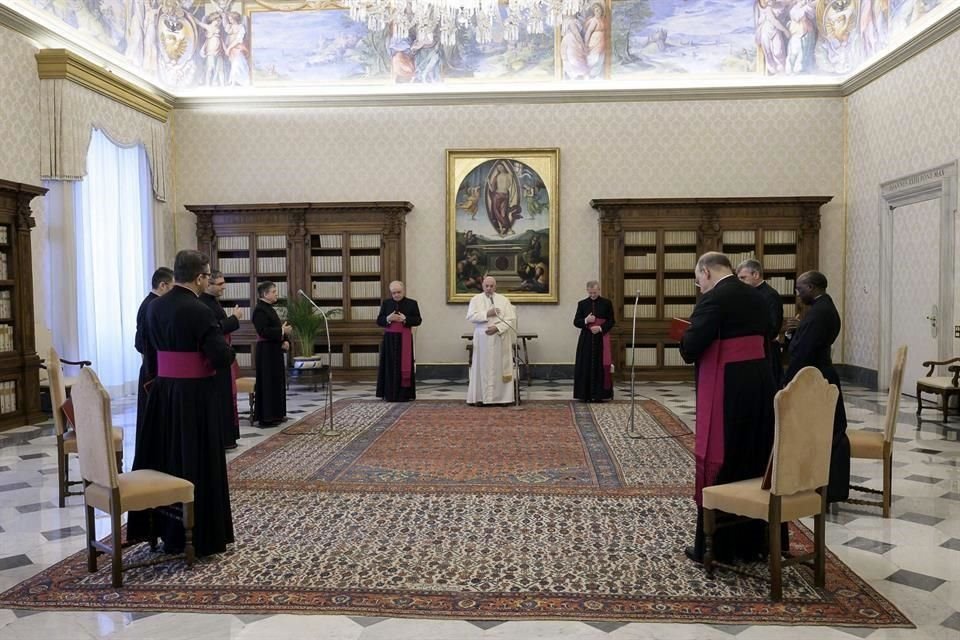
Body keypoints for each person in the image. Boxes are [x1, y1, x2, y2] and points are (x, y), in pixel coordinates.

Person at [128, 250, 235, 557]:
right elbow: (220, 356)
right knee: (195, 459)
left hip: (163, 394)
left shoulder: (154, 306)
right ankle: (201, 536)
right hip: (195, 397)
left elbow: (146, 350)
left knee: (167, 457)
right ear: (200, 278)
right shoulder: (199, 310)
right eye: (207, 276)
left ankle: (165, 528)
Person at [679, 252, 776, 564]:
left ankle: (718, 547)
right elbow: (769, 332)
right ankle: (752, 544)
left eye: (698, 278)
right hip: (760, 383)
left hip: (728, 387)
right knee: (754, 455)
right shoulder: (758, 295)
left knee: (725, 457)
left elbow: (691, 346)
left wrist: (684, 336)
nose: (699, 284)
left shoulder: (713, 299)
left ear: (706, 272)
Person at [783, 270, 849, 502]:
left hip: (816, 378)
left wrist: (788, 383)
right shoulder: (821, 308)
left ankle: (826, 488)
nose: (797, 294)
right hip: (818, 374)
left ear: (811, 287)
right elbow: (804, 343)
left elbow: (804, 352)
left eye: (800, 289)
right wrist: (792, 334)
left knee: (824, 433)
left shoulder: (820, 312)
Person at [200, 270, 243, 449]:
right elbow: (215, 329)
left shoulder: (212, 302)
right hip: (216, 357)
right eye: (220, 284)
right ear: (207, 284)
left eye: (224, 283)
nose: (223, 287)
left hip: (222, 353)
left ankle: (228, 437)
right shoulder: (203, 304)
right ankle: (223, 438)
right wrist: (234, 318)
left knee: (226, 397)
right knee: (221, 398)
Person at [134, 266, 173, 448]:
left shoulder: (152, 304)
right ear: (163, 285)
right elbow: (141, 343)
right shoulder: (152, 306)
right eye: (172, 286)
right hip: (152, 368)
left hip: (153, 365)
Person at [466, 276, 517, 405]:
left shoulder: (503, 300)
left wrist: (497, 328)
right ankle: (480, 398)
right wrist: (487, 314)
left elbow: (510, 320)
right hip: (482, 338)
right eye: (486, 286)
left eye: (491, 286)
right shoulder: (475, 299)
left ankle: (502, 398)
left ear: (495, 286)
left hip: (499, 337)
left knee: (498, 367)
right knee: (481, 367)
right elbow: (471, 317)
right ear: (482, 286)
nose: (489, 288)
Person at [736, 259, 784, 388]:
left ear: (756, 274)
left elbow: (774, 326)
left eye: (743, 278)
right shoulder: (747, 293)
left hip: (767, 349)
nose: (740, 282)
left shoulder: (770, 295)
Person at [376, 280, 422, 402]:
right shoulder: (386, 303)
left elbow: (418, 320)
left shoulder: (412, 303)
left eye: (399, 292)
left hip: (404, 339)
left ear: (403, 291)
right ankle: (389, 393)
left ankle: (404, 394)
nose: (396, 295)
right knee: (389, 366)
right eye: (394, 293)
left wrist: (405, 319)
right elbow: (379, 320)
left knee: (404, 365)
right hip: (389, 340)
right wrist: (388, 318)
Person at [252, 281, 291, 426]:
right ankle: (267, 417)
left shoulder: (269, 308)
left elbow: (277, 328)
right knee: (268, 383)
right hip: (266, 352)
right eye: (273, 291)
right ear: (265, 294)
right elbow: (263, 331)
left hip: (274, 350)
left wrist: (285, 340)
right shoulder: (259, 310)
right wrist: (282, 331)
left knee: (277, 382)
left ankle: (277, 414)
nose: (276, 294)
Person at [573, 280, 615, 402]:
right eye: (590, 293)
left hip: (601, 339)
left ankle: (599, 395)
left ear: (599, 290)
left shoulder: (607, 303)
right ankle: (584, 394)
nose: (592, 295)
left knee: (600, 366)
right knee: (585, 365)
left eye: (595, 293)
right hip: (586, 340)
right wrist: (586, 320)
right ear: (587, 290)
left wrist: (600, 328)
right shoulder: (582, 304)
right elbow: (576, 322)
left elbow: (611, 321)